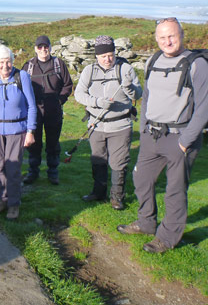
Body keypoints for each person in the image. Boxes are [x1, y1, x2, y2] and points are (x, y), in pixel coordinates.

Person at [117, 18, 208, 253]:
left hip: (179, 137)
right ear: (156, 39)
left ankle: (167, 238)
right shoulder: (153, 60)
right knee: (141, 180)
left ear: (181, 34)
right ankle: (147, 222)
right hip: (152, 135)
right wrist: (144, 127)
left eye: (172, 36)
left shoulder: (197, 65)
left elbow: (204, 109)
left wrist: (185, 143)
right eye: (162, 37)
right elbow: (147, 95)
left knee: (175, 190)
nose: (167, 41)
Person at [74, 36, 142, 210]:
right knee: (98, 160)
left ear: (114, 53)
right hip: (96, 125)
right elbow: (79, 95)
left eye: (110, 54)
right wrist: (97, 102)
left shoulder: (125, 69)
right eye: (103, 56)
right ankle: (98, 192)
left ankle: (117, 197)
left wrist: (128, 87)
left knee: (119, 162)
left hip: (120, 125)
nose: (107, 59)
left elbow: (137, 94)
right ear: (97, 56)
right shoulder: (89, 70)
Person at [0, 45, 36, 220]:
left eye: (8, 62)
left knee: (13, 168)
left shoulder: (22, 77)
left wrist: (31, 131)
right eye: (1, 62)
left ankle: (14, 204)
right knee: (0, 167)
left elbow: (32, 106)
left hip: (17, 130)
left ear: (12, 61)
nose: (5, 66)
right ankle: (3, 200)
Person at [22, 35, 73, 185]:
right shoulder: (28, 66)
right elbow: (21, 86)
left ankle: (53, 172)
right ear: (35, 49)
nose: (43, 49)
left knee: (53, 143)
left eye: (46, 46)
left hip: (54, 111)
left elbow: (67, 85)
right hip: (34, 112)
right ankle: (33, 172)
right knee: (34, 143)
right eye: (40, 47)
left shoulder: (58, 64)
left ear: (50, 47)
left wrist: (60, 100)